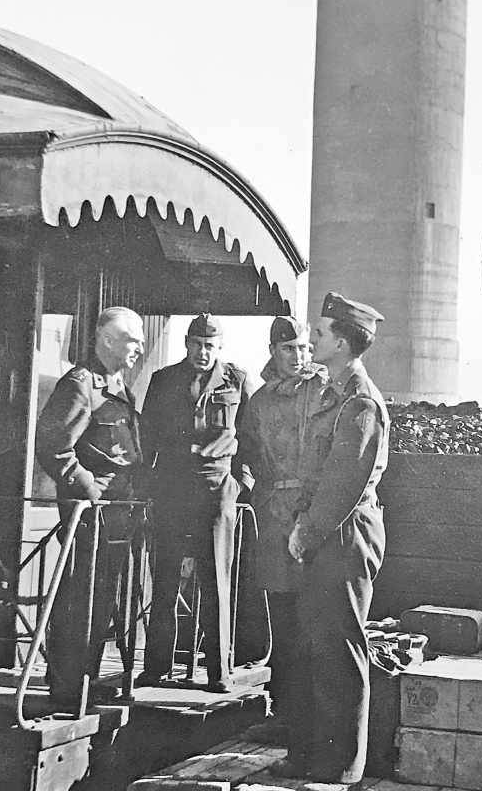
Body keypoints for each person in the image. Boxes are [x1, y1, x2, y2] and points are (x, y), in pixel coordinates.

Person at [270, 293, 389, 791]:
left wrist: (305, 531)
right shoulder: (330, 394)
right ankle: (309, 755)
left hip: (344, 536)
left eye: (319, 334)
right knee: (312, 644)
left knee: (340, 646)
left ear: (341, 343)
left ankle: (341, 768)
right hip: (322, 533)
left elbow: (344, 482)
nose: (311, 339)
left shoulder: (360, 401)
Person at [34, 307, 146, 711]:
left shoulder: (118, 385)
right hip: (91, 509)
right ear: (107, 340)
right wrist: (89, 492)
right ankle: (66, 686)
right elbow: (53, 446)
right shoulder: (82, 384)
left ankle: (84, 676)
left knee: (100, 593)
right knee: (80, 592)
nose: (140, 346)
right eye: (133, 338)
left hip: (116, 510)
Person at [137, 314, 253, 692]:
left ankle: (219, 672)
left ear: (220, 348)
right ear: (186, 343)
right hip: (171, 486)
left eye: (210, 346)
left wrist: (241, 482)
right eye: (197, 344)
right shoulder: (164, 380)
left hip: (216, 489)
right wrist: (149, 485)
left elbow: (254, 436)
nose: (203, 353)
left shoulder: (237, 381)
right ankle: (156, 668)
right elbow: (148, 438)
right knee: (165, 580)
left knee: (215, 580)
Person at [237, 316, 327, 744]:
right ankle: (283, 712)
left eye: (306, 348)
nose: (300, 357)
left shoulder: (323, 391)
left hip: (312, 517)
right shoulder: (258, 402)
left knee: (316, 617)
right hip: (274, 517)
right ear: (274, 350)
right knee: (282, 618)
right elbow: (250, 454)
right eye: (290, 349)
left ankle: (313, 715)